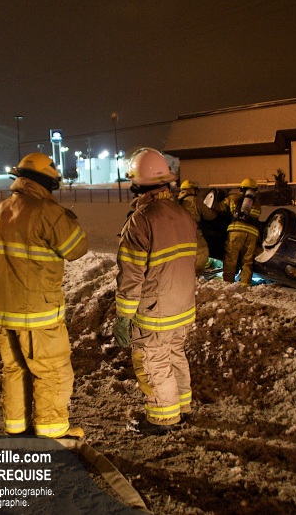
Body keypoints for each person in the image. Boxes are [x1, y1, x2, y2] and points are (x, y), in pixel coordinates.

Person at [0, 152, 88, 438]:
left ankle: (16, 428)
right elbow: (77, 249)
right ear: (47, 182)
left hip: (3, 311)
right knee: (51, 371)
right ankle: (52, 432)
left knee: (14, 370)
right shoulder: (48, 212)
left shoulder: (0, 210)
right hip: (38, 313)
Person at [114, 148, 197, 435]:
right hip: (182, 307)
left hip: (154, 312)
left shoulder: (141, 220)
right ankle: (182, 409)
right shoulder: (183, 214)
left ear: (137, 184)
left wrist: (123, 317)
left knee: (153, 363)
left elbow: (131, 276)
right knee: (175, 356)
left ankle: (163, 419)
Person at [218, 178, 261, 285]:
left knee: (230, 260)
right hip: (252, 234)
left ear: (241, 188)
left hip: (236, 231)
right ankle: (245, 285)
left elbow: (218, 208)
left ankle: (228, 284)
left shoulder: (233, 198)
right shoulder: (256, 203)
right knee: (247, 262)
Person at [177, 179, 219, 275]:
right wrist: (216, 213)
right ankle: (195, 275)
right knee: (202, 252)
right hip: (193, 231)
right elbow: (209, 215)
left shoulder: (178, 200)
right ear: (192, 190)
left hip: (179, 232)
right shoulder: (194, 200)